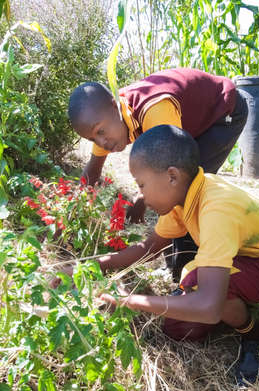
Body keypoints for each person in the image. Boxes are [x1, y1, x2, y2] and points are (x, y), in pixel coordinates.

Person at [93, 125, 259, 385]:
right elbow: (150, 247)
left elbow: (208, 307)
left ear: (172, 176)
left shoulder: (217, 206)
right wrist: (95, 266)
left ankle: (255, 336)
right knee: (178, 327)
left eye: (142, 184)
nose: (141, 196)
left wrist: (131, 301)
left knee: (200, 290)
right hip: (252, 266)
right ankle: (238, 311)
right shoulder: (184, 196)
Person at [68, 68, 248, 280]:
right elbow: (93, 168)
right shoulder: (106, 120)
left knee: (187, 192)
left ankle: (185, 272)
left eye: (100, 132)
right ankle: (174, 265)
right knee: (172, 191)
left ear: (114, 104)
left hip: (222, 113)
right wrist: (72, 212)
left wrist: (144, 199)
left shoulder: (155, 110)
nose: (102, 143)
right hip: (186, 124)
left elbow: (172, 175)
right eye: (93, 139)